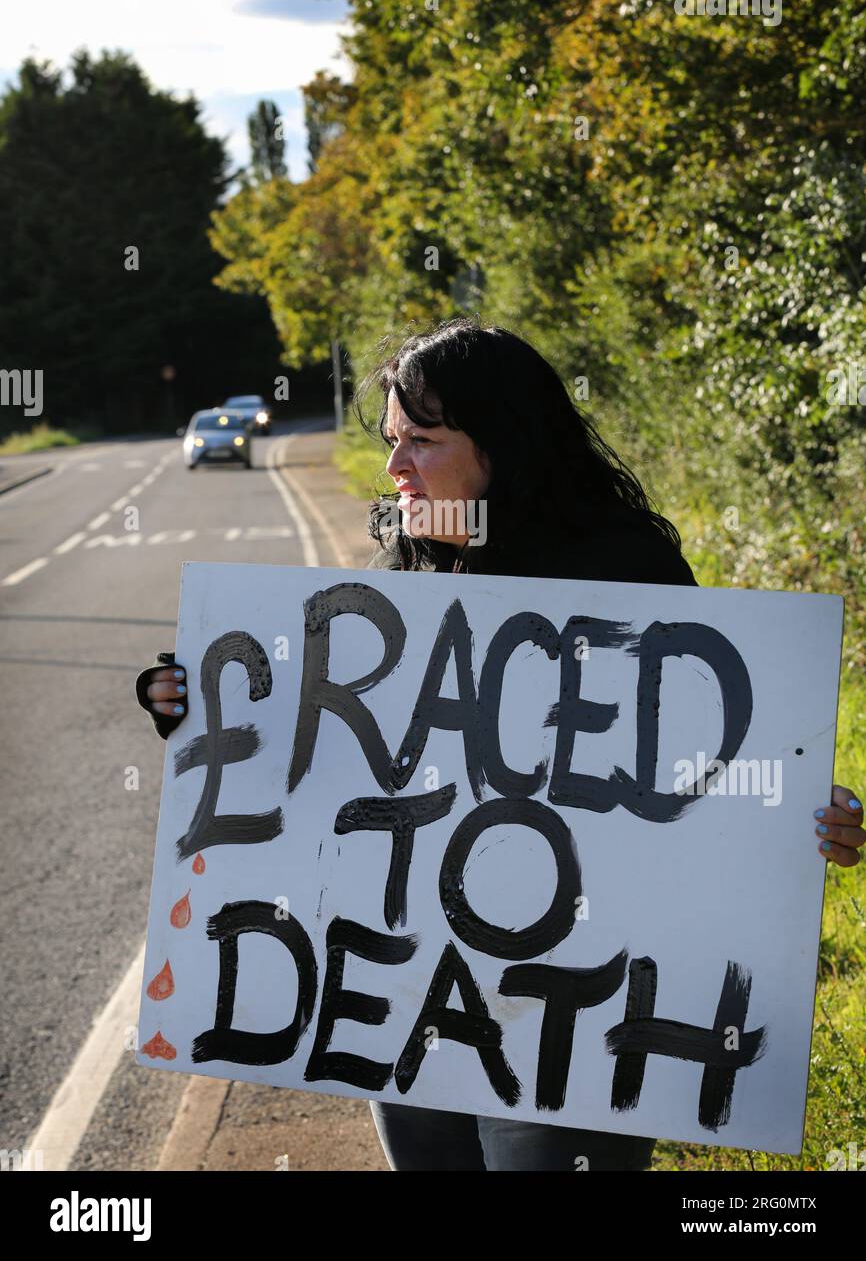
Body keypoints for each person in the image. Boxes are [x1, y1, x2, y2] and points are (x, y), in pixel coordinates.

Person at [136, 317, 864, 1171]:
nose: (396, 467)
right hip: (412, 1008)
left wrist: (802, 813)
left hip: (576, 1020)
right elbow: (307, 764)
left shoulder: (627, 571)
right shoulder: (400, 591)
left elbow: (701, 766)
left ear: (503, 445)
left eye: (424, 441)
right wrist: (186, 703)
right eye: (393, 442)